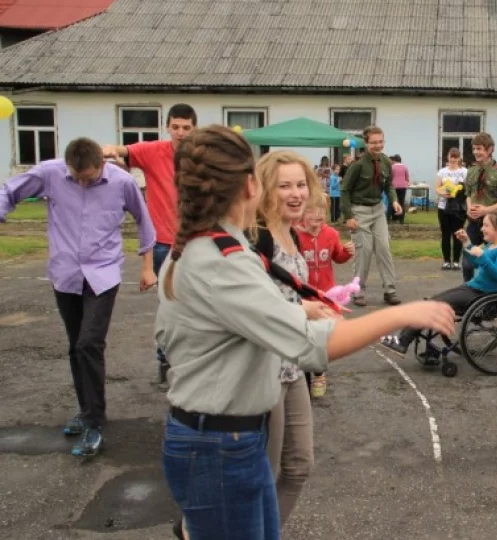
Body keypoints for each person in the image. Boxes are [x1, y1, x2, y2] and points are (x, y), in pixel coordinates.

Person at [156, 125, 455, 540]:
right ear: (250, 185)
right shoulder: (222, 259)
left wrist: (294, 310)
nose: (293, 194)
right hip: (219, 446)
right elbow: (311, 347)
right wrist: (404, 314)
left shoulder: (215, 248)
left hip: (231, 438)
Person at [0, 137, 157, 457]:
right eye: (78, 178)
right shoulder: (50, 173)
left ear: (101, 163)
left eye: (89, 177)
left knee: (89, 343)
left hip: (103, 274)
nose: (84, 183)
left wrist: (147, 266)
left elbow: (143, 219)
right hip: (66, 274)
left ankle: (95, 423)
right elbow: (8, 190)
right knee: (76, 345)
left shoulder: (122, 181)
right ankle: (86, 411)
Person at [249, 150, 325, 528]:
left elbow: (293, 291)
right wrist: (304, 313)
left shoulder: (291, 232)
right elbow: (253, 310)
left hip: (293, 367)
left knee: (299, 466)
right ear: (265, 190)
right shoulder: (257, 236)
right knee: (266, 471)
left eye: (300, 184)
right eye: (284, 186)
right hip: (265, 370)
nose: (296, 194)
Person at [102, 103, 197, 389]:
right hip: (163, 244)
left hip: (196, 243)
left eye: (186, 128)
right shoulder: (153, 151)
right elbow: (120, 151)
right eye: (176, 127)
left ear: (195, 129)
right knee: (168, 306)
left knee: (197, 305)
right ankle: (165, 361)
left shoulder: (202, 156)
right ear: (168, 127)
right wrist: (107, 150)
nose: (180, 132)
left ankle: (192, 363)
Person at [380, 211, 497, 355]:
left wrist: (483, 257)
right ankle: (405, 340)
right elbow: (477, 263)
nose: (482, 229)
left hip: (482, 295)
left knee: (432, 305)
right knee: (431, 302)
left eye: (486, 226)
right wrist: (467, 243)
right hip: (473, 289)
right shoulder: (492, 245)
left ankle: (403, 342)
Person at [298, 200, 355, 399]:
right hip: (303, 295)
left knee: (320, 337)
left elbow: (337, 256)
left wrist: (346, 253)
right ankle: (302, 374)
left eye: (322, 210)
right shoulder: (294, 235)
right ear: (302, 213)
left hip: (325, 293)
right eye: (312, 209)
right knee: (302, 335)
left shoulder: (331, 234)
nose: (318, 214)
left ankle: (319, 373)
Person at [341, 125, 402, 307]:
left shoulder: (385, 162)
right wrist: (349, 216)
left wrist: (394, 201)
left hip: (378, 210)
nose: (378, 145)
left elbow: (389, 185)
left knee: (384, 248)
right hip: (359, 211)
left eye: (381, 142)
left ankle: (390, 291)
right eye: (374, 142)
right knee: (363, 252)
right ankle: (358, 291)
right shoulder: (357, 165)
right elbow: (345, 191)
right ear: (366, 143)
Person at [462, 132, 497, 282]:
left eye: (479, 149)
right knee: (467, 262)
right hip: (473, 222)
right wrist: (469, 208)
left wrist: (487, 210)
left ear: (490, 149)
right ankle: (469, 289)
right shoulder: (471, 170)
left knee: (492, 261)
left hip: (493, 223)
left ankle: (493, 292)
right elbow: (468, 193)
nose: (476, 152)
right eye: (474, 149)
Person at [436, 148, 469, 270]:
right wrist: (444, 193)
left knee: (458, 234)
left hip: (459, 208)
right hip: (444, 207)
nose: (453, 159)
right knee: (445, 234)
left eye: (456, 157)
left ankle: (456, 261)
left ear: (459, 158)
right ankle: (446, 260)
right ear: (448, 157)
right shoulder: (442, 172)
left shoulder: (465, 172)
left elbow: (468, 189)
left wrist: (459, 191)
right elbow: (437, 188)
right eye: (451, 156)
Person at [390, 154, 410, 224]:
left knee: (394, 201)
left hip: (394, 186)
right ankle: (401, 219)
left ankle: (394, 217)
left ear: (394, 160)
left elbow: (390, 177)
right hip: (403, 187)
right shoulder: (405, 167)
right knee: (401, 202)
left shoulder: (392, 167)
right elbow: (407, 178)